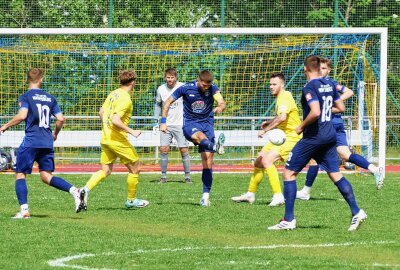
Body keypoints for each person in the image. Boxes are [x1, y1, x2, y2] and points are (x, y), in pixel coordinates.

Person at [268, 55, 367, 231]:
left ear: (306, 69)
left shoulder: (309, 86)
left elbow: (314, 112)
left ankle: (288, 219)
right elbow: (341, 108)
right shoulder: (328, 84)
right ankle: (356, 211)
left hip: (313, 137)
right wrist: (323, 112)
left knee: (289, 173)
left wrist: (301, 126)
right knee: (335, 174)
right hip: (329, 135)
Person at [0, 68, 84, 219]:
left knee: (20, 174)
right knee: (46, 176)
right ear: (41, 80)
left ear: (27, 80)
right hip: (47, 141)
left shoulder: (26, 97)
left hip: (32, 141)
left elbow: (22, 115)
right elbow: (61, 119)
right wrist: (55, 134)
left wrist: (5, 126)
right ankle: (75, 191)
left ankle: (24, 210)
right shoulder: (50, 98)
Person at [296, 57, 384, 201]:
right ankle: (374, 169)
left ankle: (306, 191)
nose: (321, 70)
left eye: (324, 68)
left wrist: (329, 107)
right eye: (320, 68)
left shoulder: (330, 84)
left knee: (314, 158)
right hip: (335, 125)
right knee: (344, 154)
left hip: (328, 125)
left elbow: (349, 92)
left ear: (329, 70)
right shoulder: (323, 85)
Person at [79, 70, 149, 210]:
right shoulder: (125, 98)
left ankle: (84, 190)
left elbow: (101, 112)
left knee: (105, 170)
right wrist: (132, 131)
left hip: (106, 138)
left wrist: (107, 127)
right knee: (136, 168)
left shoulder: (113, 93)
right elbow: (116, 120)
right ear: (133, 82)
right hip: (118, 140)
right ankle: (131, 200)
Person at [231, 72, 302, 206]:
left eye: (274, 84)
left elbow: (282, 118)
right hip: (284, 135)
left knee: (268, 161)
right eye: (270, 84)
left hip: (292, 137)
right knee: (259, 161)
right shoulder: (281, 97)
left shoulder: (284, 96)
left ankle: (278, 195)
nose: (271, 86)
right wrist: (269, 122)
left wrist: (266, 129)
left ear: (282, 84)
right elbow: (282, 117)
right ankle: (250, 194)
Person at [160, 70, 226, 207]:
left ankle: (205, 197)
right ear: (198, 80)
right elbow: (167, 103)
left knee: (207, 162)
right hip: (190, 124)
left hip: (207, 124)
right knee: (200, 136)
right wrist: (163, 121)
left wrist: (220, 107)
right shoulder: (185, 88)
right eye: (203, 85)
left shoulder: (213, 88)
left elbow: (221, 101)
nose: (206, 88)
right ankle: (215, 146)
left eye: (208, 86)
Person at [153, 68, 191, 184]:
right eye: (168, 77)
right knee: (163, 149)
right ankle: (163, 177)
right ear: (165, 78)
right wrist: (156, 121)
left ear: (176, 77)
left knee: (184, 149)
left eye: (172, 77)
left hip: (180, 124)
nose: (170, 80)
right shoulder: (161, 89)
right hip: (166, 124)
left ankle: (187, 177)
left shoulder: (183, 87)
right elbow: (158, 105)